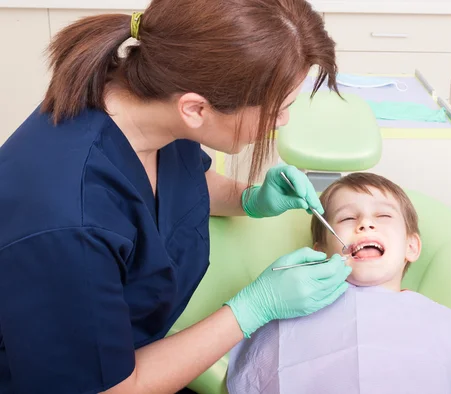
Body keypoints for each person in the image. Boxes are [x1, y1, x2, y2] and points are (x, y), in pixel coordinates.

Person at [0, 1, 352, 393]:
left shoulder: (148, 102)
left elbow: (181, 185)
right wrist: (253, 309)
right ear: (196, 109)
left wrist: (249, 199)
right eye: (278, 109)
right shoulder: (69, 222)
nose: (282, 122)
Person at [226, 172, 451, 394]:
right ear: (321, 252)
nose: (366, 224)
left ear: (411, 247)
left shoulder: (439, 321)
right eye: (347, 218)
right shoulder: (289, 306)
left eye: (383, 216)